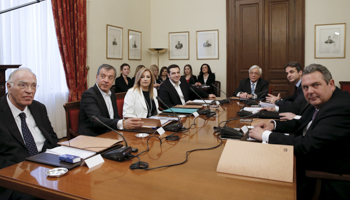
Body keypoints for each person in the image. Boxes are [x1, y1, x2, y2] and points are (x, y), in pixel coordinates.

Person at [249, 64, 350, 199]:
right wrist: (273, 126)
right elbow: (303, 123)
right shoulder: (324, 100)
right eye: (305, 87)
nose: (310, 91)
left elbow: (307, 145)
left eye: (316, 85)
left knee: (257, 178)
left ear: (331, 84)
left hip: (321, 176)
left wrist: (266, 136)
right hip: (311, 159)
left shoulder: (339, 107)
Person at [0, 68, 59, 199]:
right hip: (14, 177)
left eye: (33, 86)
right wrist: (26, 171)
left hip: (46, 166)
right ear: (9, 87)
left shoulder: (39, 108)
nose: (30, 91)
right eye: (22, 85)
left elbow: (52, 138)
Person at [78, 64, 143, 136]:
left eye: (110, 78)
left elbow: (115, 117)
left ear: (113, 80)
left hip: (110, 132)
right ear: (97, 77)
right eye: (103, 76)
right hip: (93, 136)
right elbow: (96, 120)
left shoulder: (111, 92)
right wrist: (122, 123)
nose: (106, 80)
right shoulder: (88, 95)